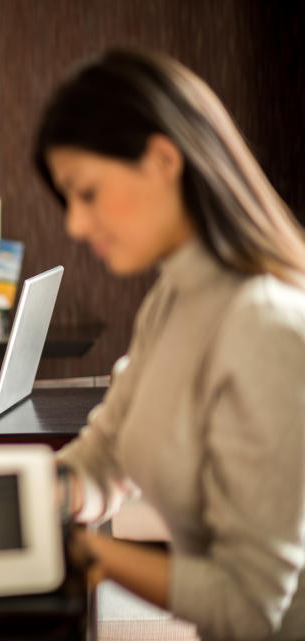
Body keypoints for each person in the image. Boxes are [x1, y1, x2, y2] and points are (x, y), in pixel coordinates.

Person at [35, 49, 305, 640]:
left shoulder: (266, 325)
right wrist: (3, 496)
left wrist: (86, 554)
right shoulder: (173, 297)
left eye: (86, 193)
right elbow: (106, 456)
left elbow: (252, 608)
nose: (75, 227)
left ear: (162, 159)